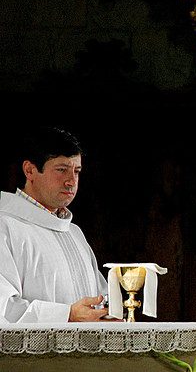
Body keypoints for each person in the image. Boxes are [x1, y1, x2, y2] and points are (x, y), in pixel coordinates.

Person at [0, 126, 114, 323]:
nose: (71, 181)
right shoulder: (6, 226)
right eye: (61, 170)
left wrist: (105, 312)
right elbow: (4, 308)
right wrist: (67, 315)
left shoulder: (73, 232)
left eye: (76, 171)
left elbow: (98, 297)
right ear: (30, 170)